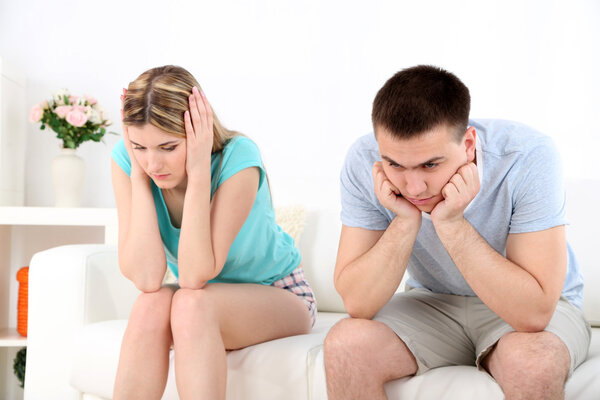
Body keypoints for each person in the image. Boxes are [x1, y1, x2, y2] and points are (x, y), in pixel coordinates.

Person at [323, 65, 591, 400]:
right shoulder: (363, 160)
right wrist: (406, 220)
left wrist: (450, 224)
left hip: (529, 308)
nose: (414, 186)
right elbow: (358, 304)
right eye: (395, 165)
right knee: (346, 345)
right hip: (432, 303)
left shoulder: (527, 155)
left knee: (532, 362)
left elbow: (534, 313)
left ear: (467, 144)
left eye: (430, 165)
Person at [110, 65, 316, 400]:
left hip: (279, 293)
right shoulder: (129, 161)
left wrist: (199, 169)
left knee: (190, 303)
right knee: (151, 304)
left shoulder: (239, 157)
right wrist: (137, 178)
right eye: (140, 147)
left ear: (197, 132)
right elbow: (147, 278)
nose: (154, 164)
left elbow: (193, 275)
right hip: (202, 297)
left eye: (167, 147)